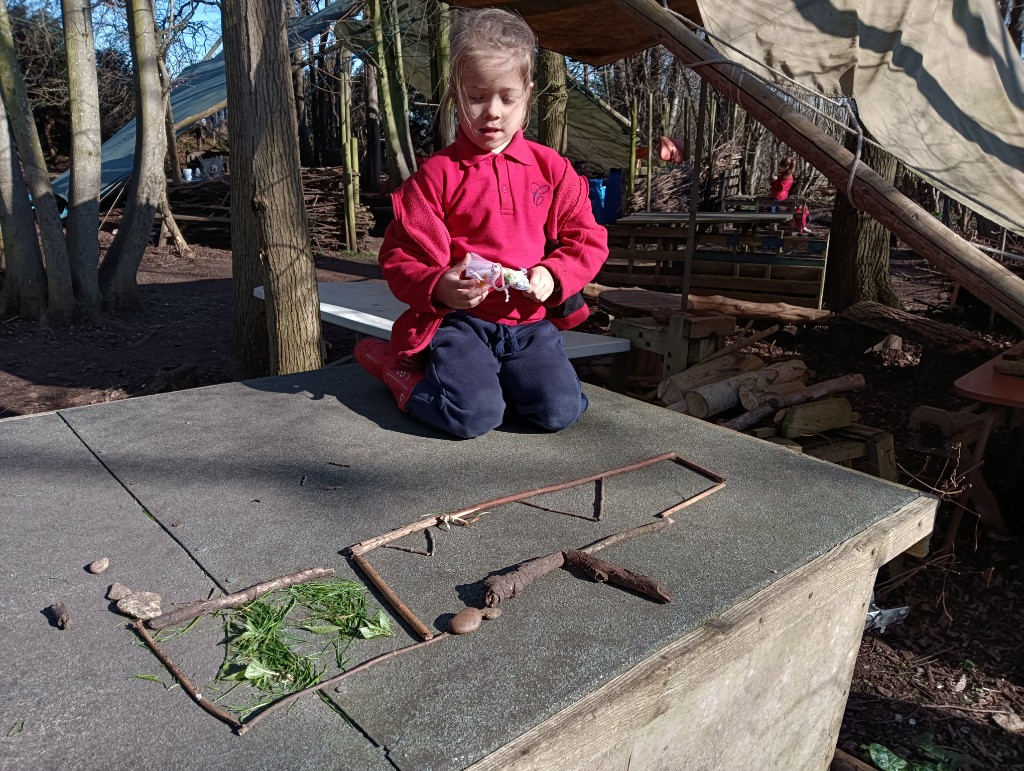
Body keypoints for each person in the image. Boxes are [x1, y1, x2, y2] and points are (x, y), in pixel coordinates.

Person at [354, 8, 608, 439]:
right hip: (459, 323)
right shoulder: (436, 176)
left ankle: (500, 380)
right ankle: (399, 373)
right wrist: (439, 287)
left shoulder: (553, 170)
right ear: (455, 93)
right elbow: (400, 258)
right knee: (471, 417)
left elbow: (587, 237)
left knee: (559, 411)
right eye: (476, 96)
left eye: (507, 98)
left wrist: (554, 273)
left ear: (528, 94)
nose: (492, 112)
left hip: (528, 322)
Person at [768, 157, 810, 234]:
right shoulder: (785, 175)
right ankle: (774, 225)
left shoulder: (786, 177)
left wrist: (774, 181)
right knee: (774, 209)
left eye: (781, 166)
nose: (779, 168)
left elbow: (781, 187)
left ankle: (774, 225)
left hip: (779, 195)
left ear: (786, 167)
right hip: (781, 195)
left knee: (773, 209)